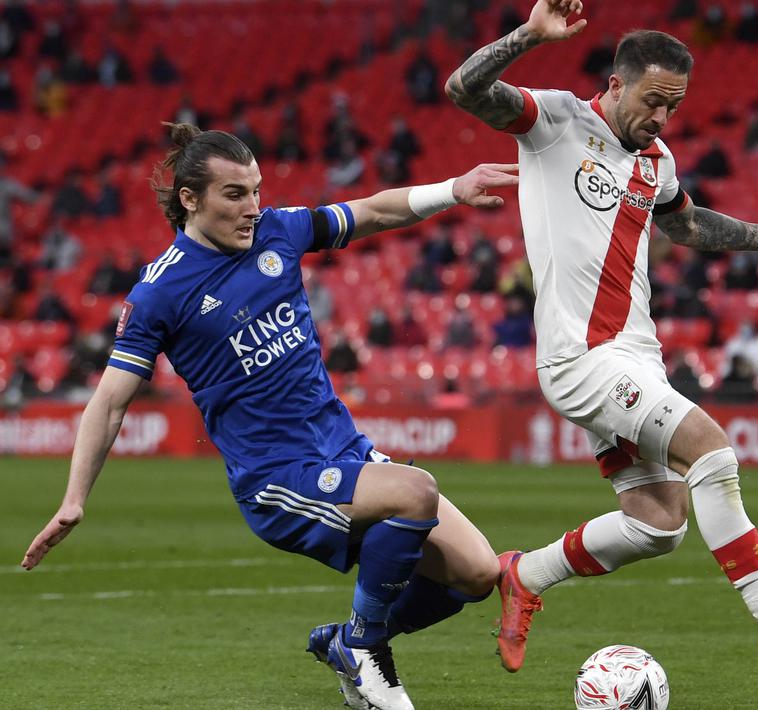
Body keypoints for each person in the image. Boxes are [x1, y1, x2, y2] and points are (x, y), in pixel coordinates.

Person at [21, 123, 519, 710]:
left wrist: (452, 188)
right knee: (416, 492)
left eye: (257, 190)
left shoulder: (277, 232)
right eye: (235, 194)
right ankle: (364, 650)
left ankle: (347, 641)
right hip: (277, 478)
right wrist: (74, 499)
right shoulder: (159, 292)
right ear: (190, 199)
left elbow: (374, 212)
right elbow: (109, 402)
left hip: (345, 452)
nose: (253, 207)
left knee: (477, 574)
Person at [446, 0, 758, 680]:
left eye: (672, 107)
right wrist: (530, 34)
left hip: (634, 354)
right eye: (651, 101)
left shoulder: (655, 158)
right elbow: (463, 90)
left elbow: (690, 226)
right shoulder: (556, 122)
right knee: (711, 451)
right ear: (615, 85)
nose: (660, 118)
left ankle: (523, 575)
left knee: (656, 523)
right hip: (582, 358)